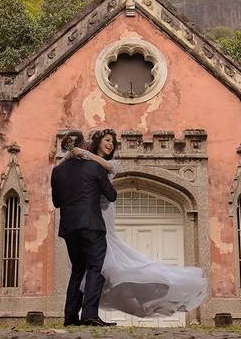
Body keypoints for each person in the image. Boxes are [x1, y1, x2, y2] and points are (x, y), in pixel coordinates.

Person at [68, 129, 208, 318]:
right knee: (96, 265)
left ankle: (90, 311)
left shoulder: (109, 163)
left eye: (113, 142)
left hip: (103, 213)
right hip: (88, 212)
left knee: (105, 259)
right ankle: (85, 312)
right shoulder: (85, 164)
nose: (110, 144)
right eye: (107, 140)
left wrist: (84, 153)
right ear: (98, 141)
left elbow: (109, 167)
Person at [50, 131, 118, 327]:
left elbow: (56, 202)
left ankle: (70, 318)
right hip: (92, 225)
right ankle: (89, 314)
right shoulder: (94, 167)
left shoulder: (57, 171)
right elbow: (111, 195)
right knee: (95, 268)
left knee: (77, 270)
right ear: (83, 146)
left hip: (69, 227)